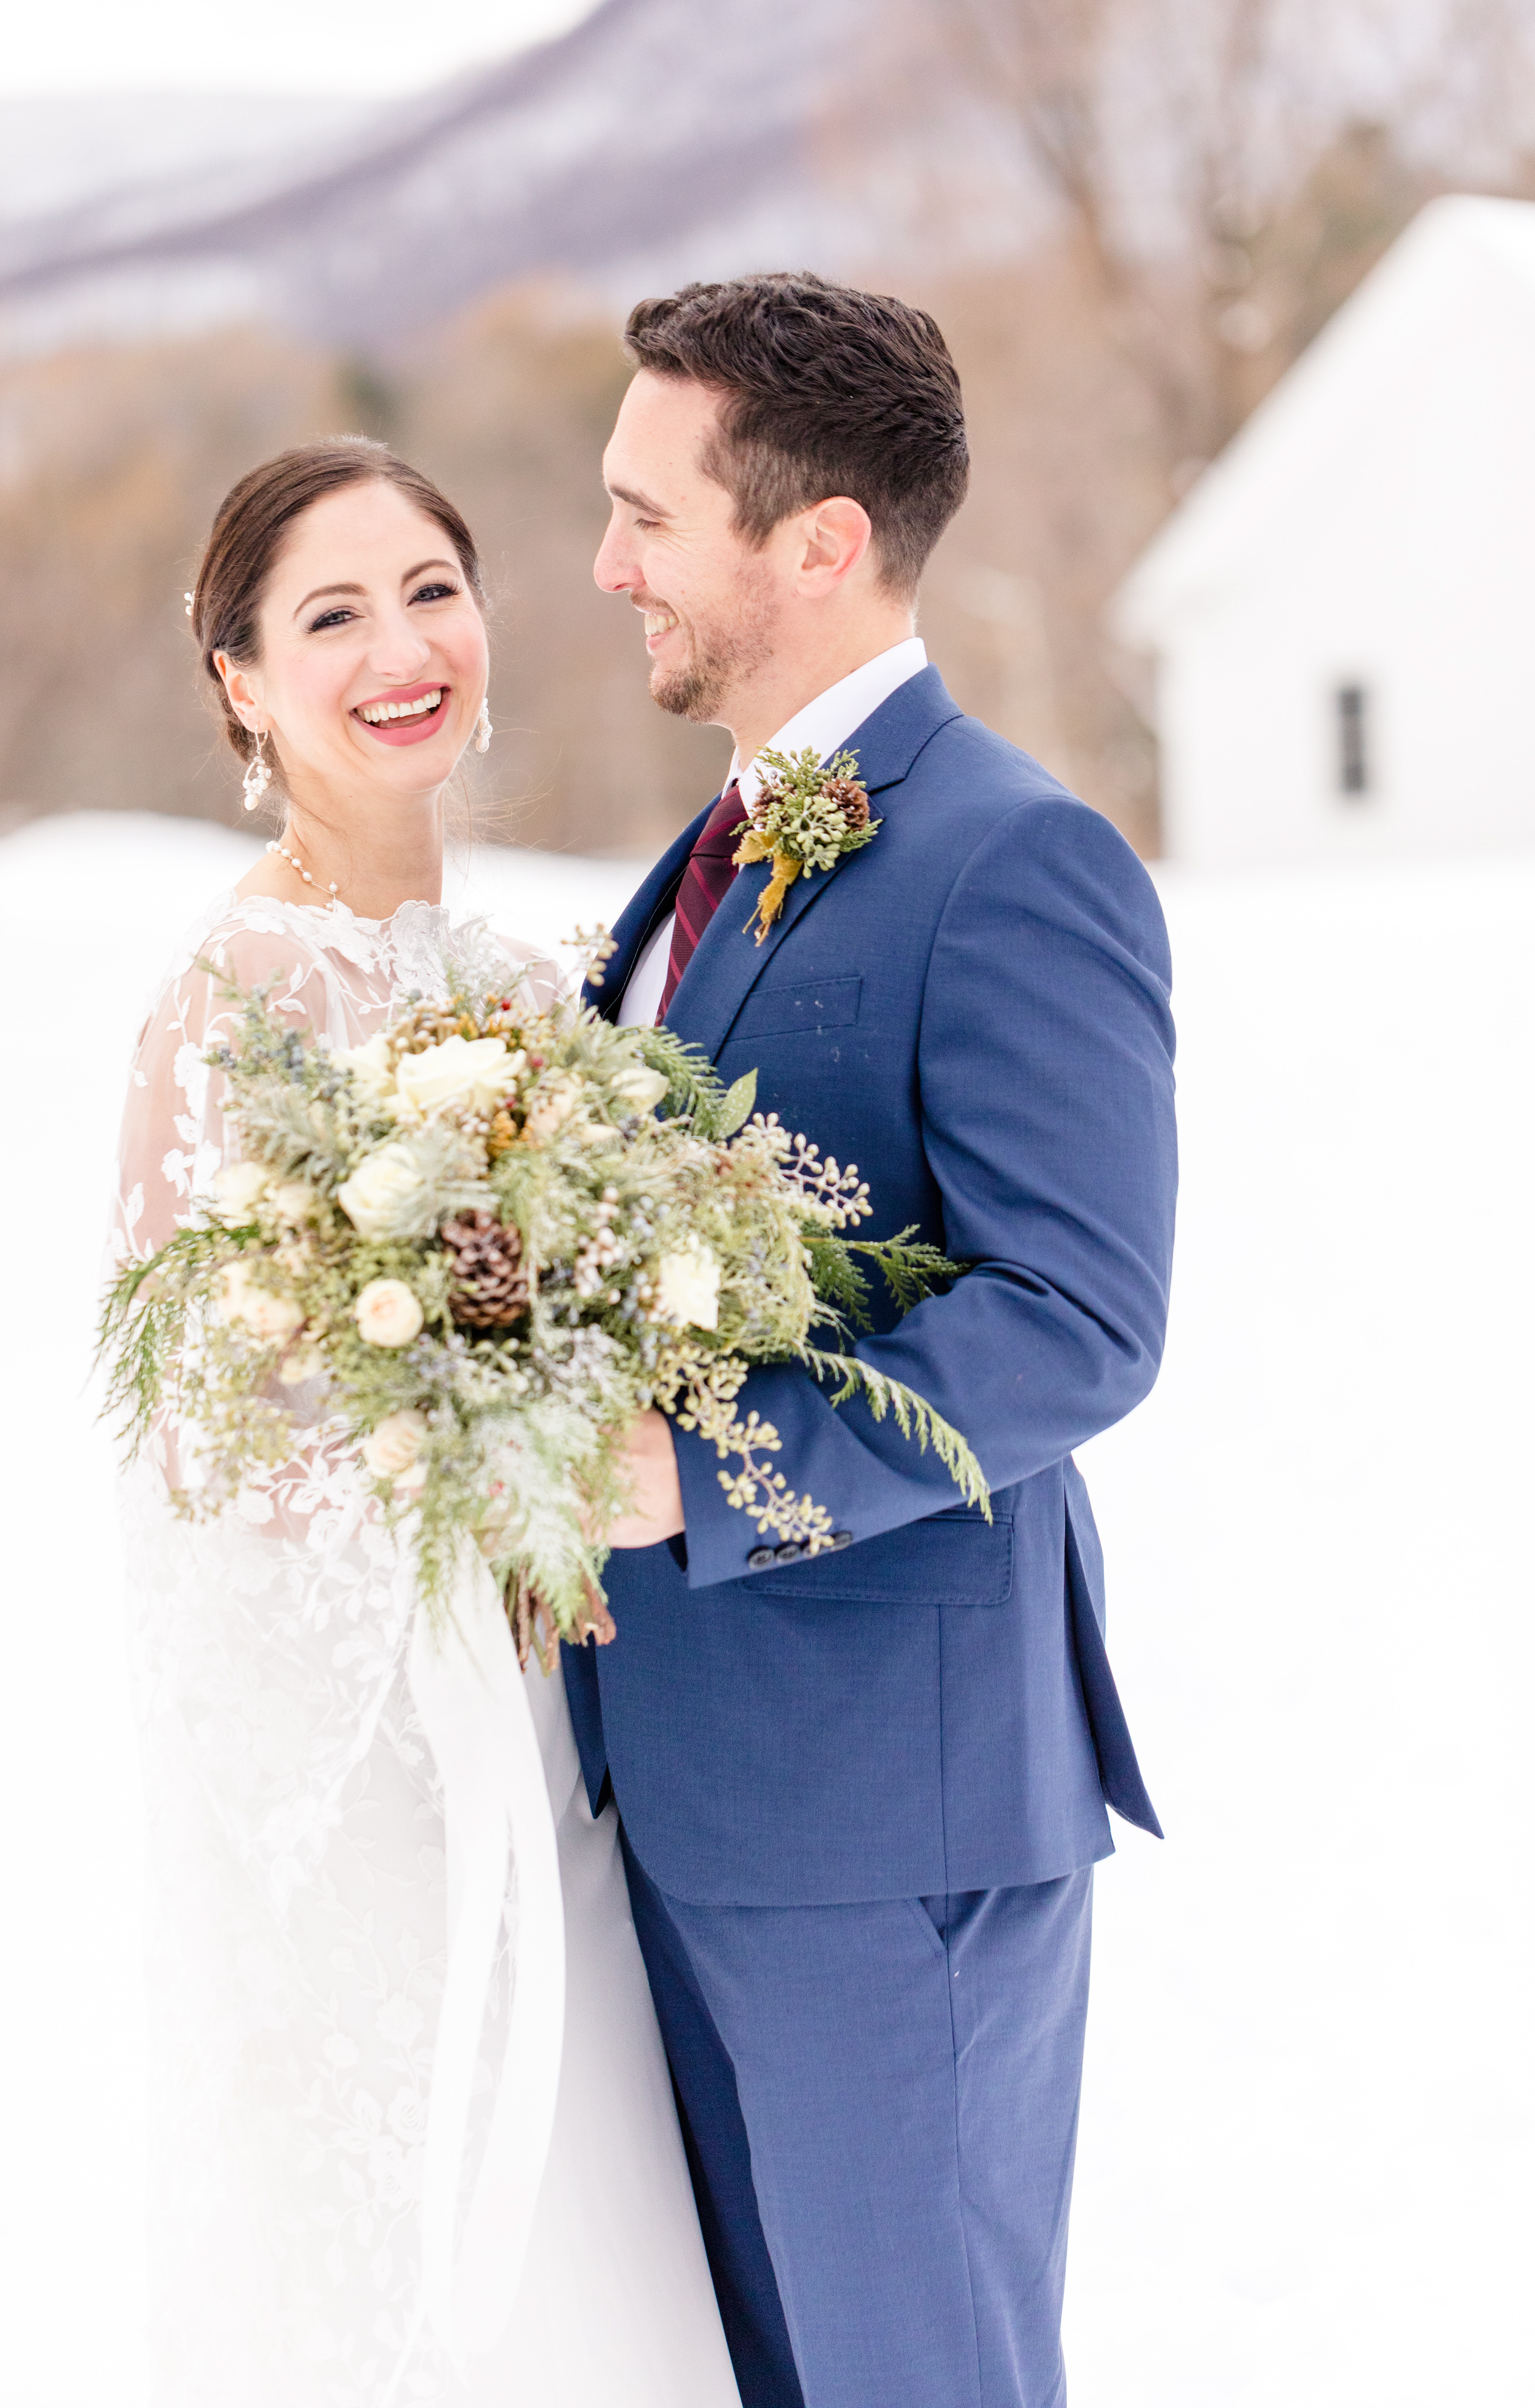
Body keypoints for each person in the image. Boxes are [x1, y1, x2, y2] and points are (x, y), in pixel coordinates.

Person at [568, 273, 1179, 2408]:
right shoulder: (698, 867)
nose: (606, 561)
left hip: (888, 1835)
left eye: (649, 514)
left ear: (815, 545)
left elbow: (1081, 1321)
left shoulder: (1019, 861)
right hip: (683, 1792)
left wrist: (703, 1464)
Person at [111, 438, 742, 2405]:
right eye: (331, 615)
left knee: (587, 2201)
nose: (404, 648)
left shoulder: (519, 978)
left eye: (433, 591)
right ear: (240, 681)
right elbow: (200, 1438)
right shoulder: (239, 989)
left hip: (553, 1712)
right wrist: (463, 1504)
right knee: (422, 2222)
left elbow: (527, 1305)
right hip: (367, 1756)